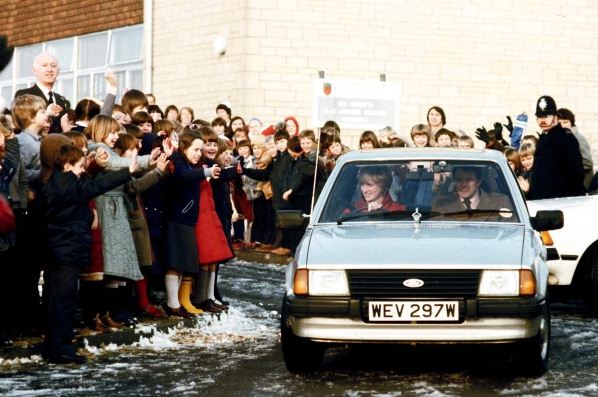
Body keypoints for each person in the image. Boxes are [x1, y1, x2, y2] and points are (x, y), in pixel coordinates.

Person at [41, 144, 134, 363]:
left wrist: (90, 164)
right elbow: (95, 186)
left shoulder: (58, 181)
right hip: (67, 251)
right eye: (80, 166)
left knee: (58, 299)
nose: (83, 170)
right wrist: (125, 172)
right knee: (64, 301)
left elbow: (85, 183)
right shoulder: (66, 185)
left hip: (60, 250)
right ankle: (60, 349)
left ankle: (56, 346)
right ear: (67, 166)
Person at [530, 96, 585, 200]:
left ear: (555, 118)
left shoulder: (565, 138)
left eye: (547, 116)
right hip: (543, 200)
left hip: (559, 202)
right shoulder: (544, 137)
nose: (543, 120)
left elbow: (576, 174)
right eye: (540, 116)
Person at [14, 52, 68, 134]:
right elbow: (21, 126)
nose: (49, 69)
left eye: (53, 66)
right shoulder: (24, 95)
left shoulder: (60, 99)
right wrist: (46, 113)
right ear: (34, 70)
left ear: (58, 71)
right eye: (44, 65)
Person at [432, 166, 511, 221]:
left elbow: (510, 235)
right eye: (459, 180)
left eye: (468, 180)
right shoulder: (441, 204)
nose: (463, 185)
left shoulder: (501, 202)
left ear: (478, 182)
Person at [557, 108, 594, 190]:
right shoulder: (561, 138)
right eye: (559, 123)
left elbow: (588, 163)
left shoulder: (578, 138)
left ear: (571, 123)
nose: (562, 125)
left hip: (581, 186)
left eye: (565, 122)